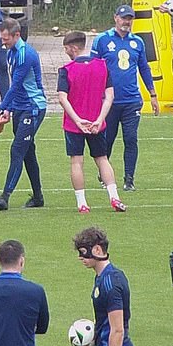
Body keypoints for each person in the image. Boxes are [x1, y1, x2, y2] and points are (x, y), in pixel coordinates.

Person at [57, 31, 127, 213]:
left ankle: (82, 203)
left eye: (66, 49)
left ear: (72, 48)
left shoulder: (67, 70)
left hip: (74, 125)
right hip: (97, 123)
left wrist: (78, 120)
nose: (66, 53)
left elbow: (62, 98)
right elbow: (109, 96)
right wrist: (99, 119)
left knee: (76, 162)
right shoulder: (102, 66)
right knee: (102, 159)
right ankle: (114, 197)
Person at [90, 5, 159, 191]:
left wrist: (152, 94)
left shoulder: (137, 42)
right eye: (123, 18)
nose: (126, 22)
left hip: (131, 100)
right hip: (109, 101)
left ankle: (129, 179)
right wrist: (94, 95)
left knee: (130, 138)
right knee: (108, 139)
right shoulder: (102, 40)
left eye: (129, 18)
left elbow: (144, 68)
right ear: (115, 18)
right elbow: (94, 68)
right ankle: (105, 175)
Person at [0, 18, 47, 210]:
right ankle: (38, 197)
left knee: (17, 149)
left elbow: (17, 84)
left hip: (33, 107)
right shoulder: (11, 52)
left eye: (6, 39)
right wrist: (10, 109)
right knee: (28, 152)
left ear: (17, 35)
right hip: (20, 107)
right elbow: (16, 88)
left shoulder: (25, 54)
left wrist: (1, 108)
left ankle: (5, 196)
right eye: (1, 39)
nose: (3, 43)